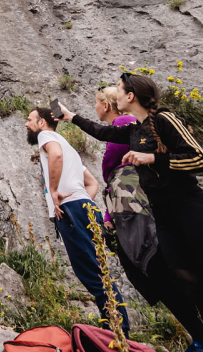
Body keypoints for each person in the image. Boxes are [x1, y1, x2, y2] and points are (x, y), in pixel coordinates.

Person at [60, 73, 203, 352]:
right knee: (197, 294)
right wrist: (69, 116)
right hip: (166, 220)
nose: (116, 96)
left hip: (192, 210)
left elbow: (200, 158)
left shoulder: (164, 119)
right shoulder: (133, 130)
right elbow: (102, 132)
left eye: (120, 91)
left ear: (131, 96)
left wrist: (153, 158)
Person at [93, 86, 203, 352]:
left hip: (137, 212)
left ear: (106, 104)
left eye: (96, 102)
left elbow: (125, 172)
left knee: (160, 268)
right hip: (127, 210)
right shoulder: (123, 125)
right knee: (157, 272)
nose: (94, 107)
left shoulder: (126, 123)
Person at [25, 106, 130, 333]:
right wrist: (82, 201)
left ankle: (119, 331)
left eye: (30, 120)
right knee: (98, 269)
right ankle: (114, 325)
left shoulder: (47, 137)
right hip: (85, 208)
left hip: (71, 210)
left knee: (90, 273)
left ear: (42, 123)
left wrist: (54, 191)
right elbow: (92, 183)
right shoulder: (67, 145)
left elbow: (56, 155)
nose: (27, 124)